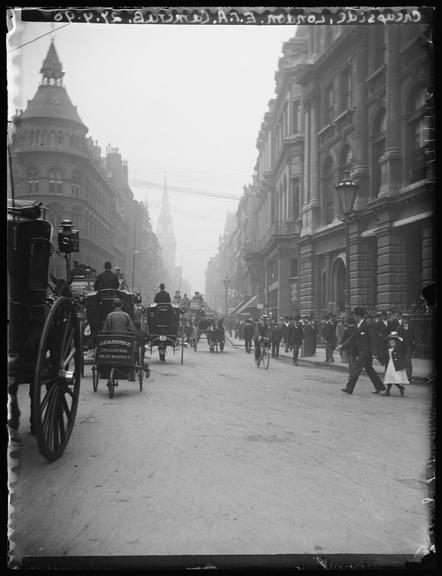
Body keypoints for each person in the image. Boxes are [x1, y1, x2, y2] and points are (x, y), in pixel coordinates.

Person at [340, 307, 386, 395]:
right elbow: (352, 338)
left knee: (356, 369)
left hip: (365, 352)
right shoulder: (359, 325)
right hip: (362, 352)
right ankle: (380, 386)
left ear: (358, 316)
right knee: (369, 369)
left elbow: (373, 340)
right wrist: (342, 345)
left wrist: (375, 353)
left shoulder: (367, 325)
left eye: (354, 315)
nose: (353, 316)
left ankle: (349, 388)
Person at [397, 313, 416, 382]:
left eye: (406, 319)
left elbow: (414, 337)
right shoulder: (399, 328)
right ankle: (403, 377)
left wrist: (413, 344)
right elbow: (397, 338)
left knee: (408, 361)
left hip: (409, 347)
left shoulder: (411, 327)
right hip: (402, 348)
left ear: (408, 320)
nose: (405, 320)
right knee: (402, 362)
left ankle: (409, 376)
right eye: (404, 319)